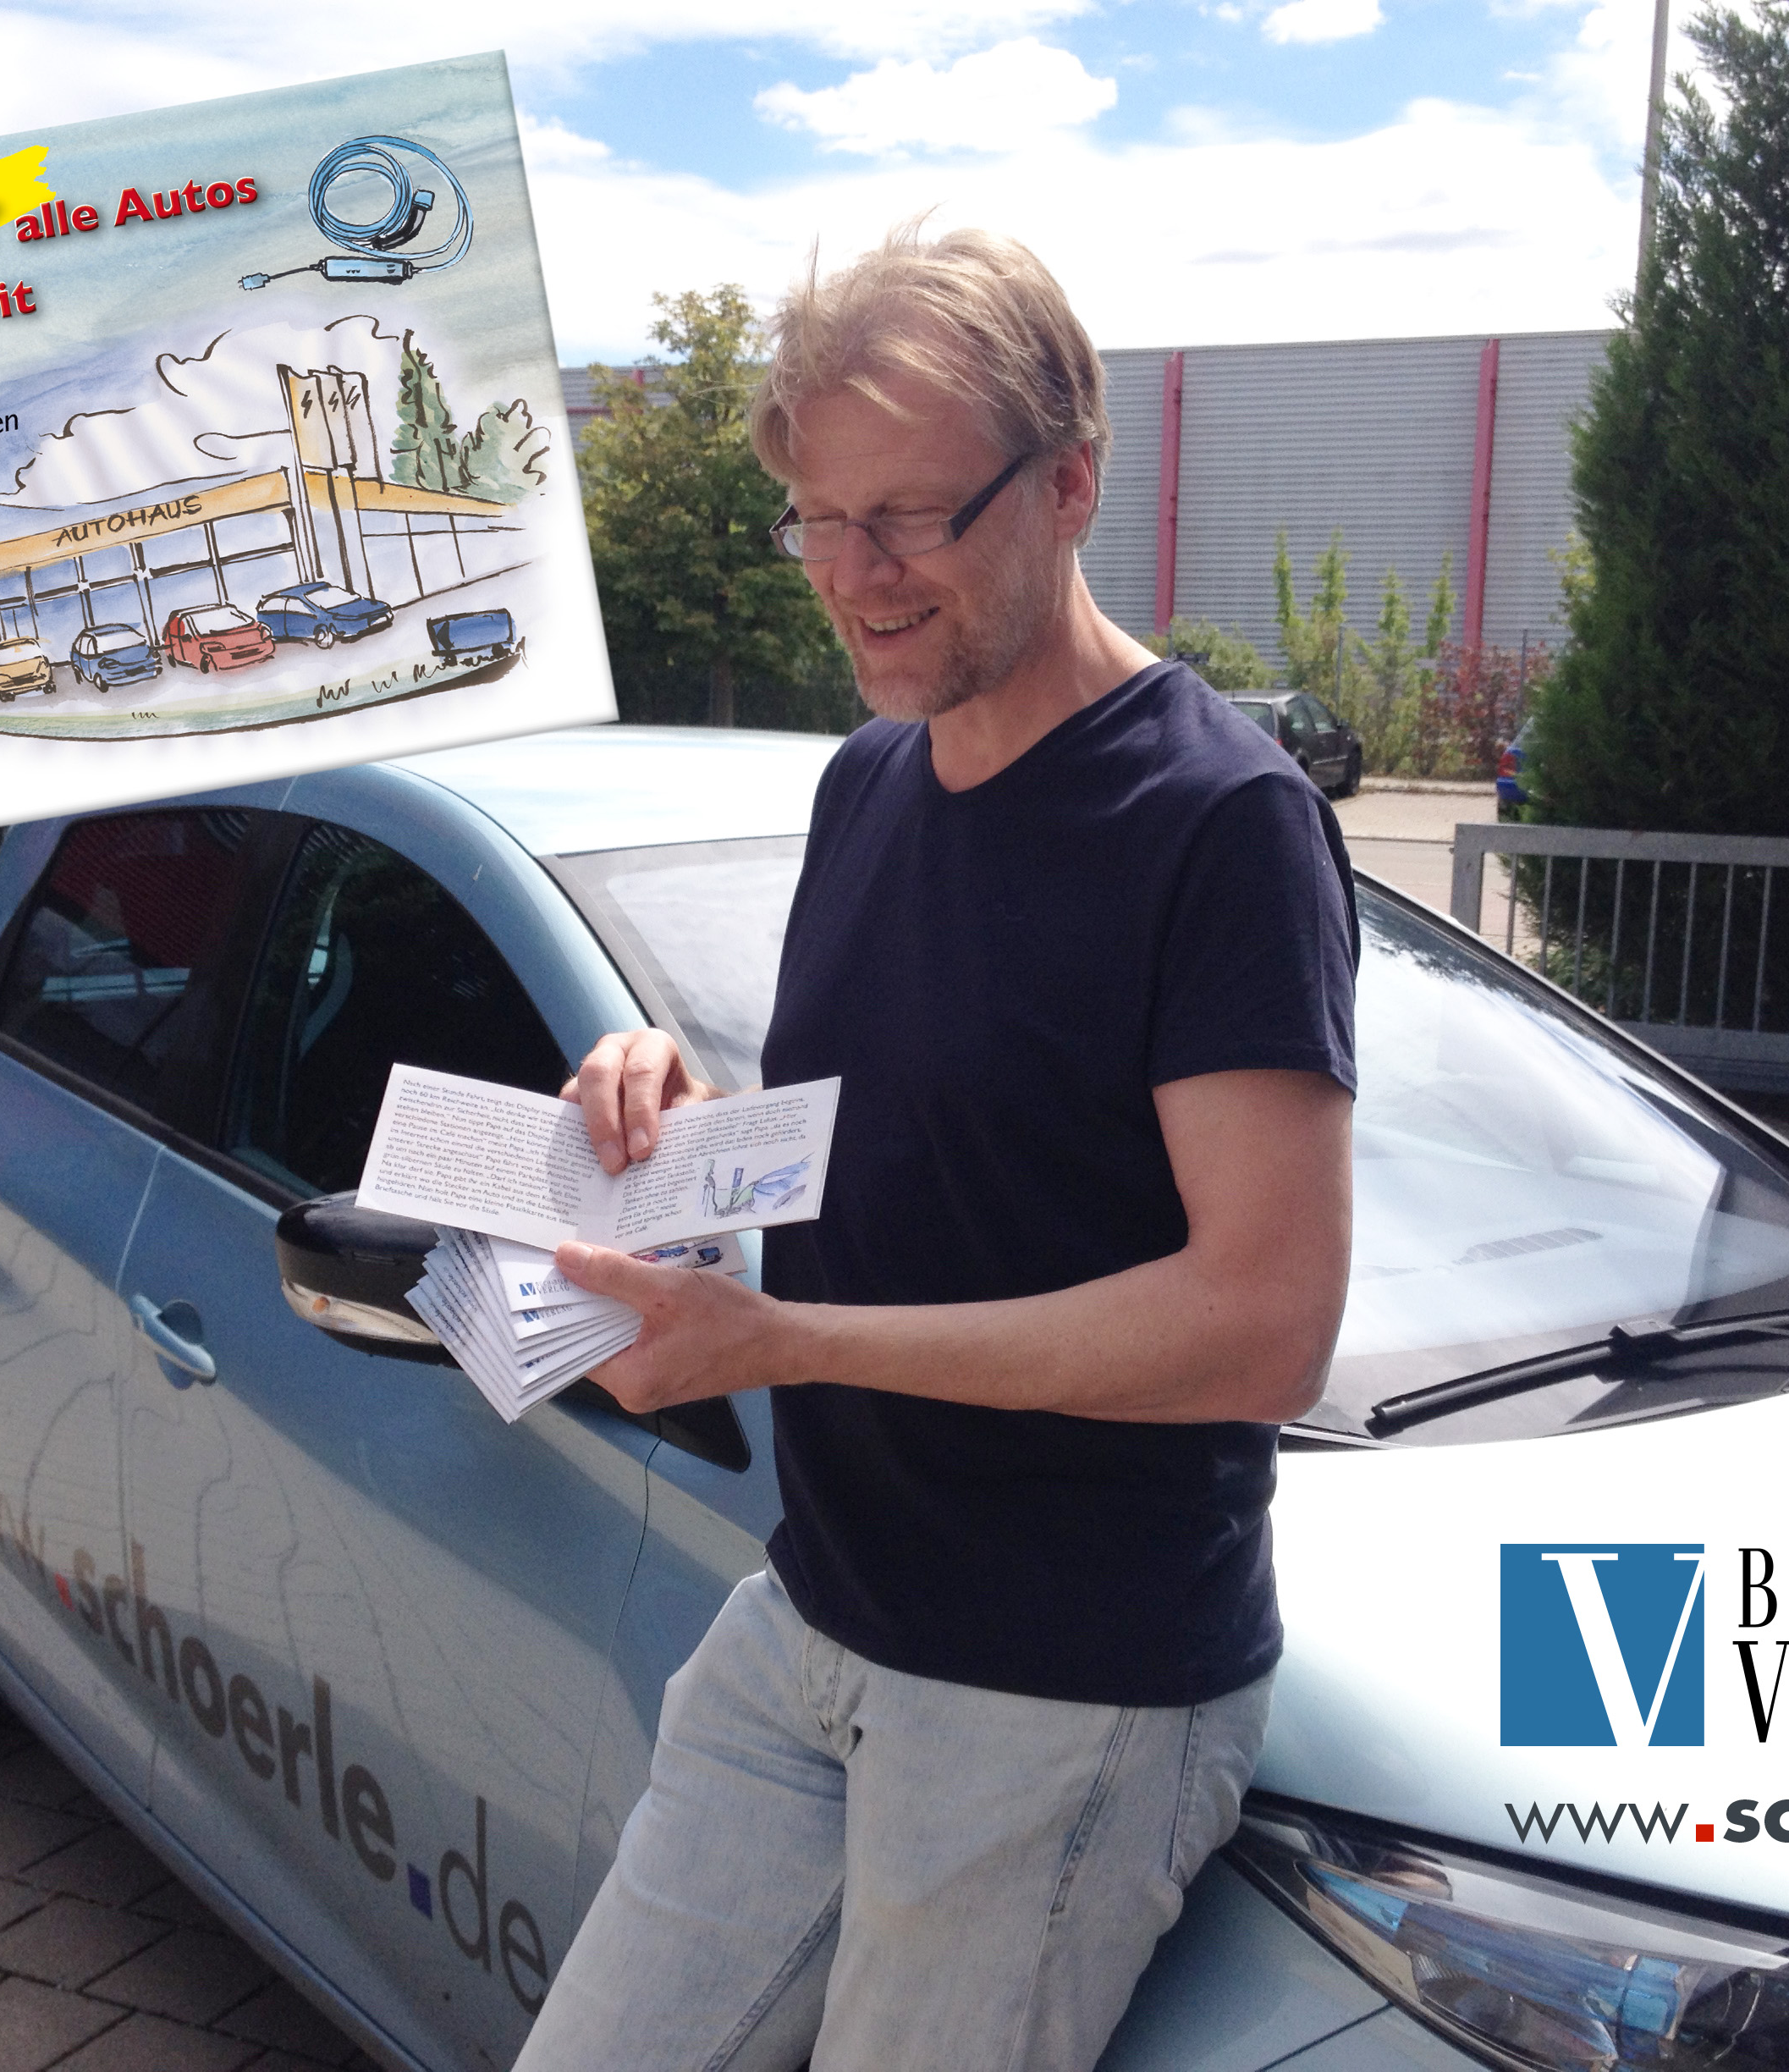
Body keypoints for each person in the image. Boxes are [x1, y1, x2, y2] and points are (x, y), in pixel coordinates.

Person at [513, 223, 1360, 2072]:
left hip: (1058, 1689)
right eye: (820, 520)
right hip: (819, 1612)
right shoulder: (871, 781)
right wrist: (678, 1120)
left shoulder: (1221, 824)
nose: (854, 576)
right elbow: (913, 1154)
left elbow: (1265, 1324)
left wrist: (787, 1343)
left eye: (908, 516)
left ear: (1070, 483)